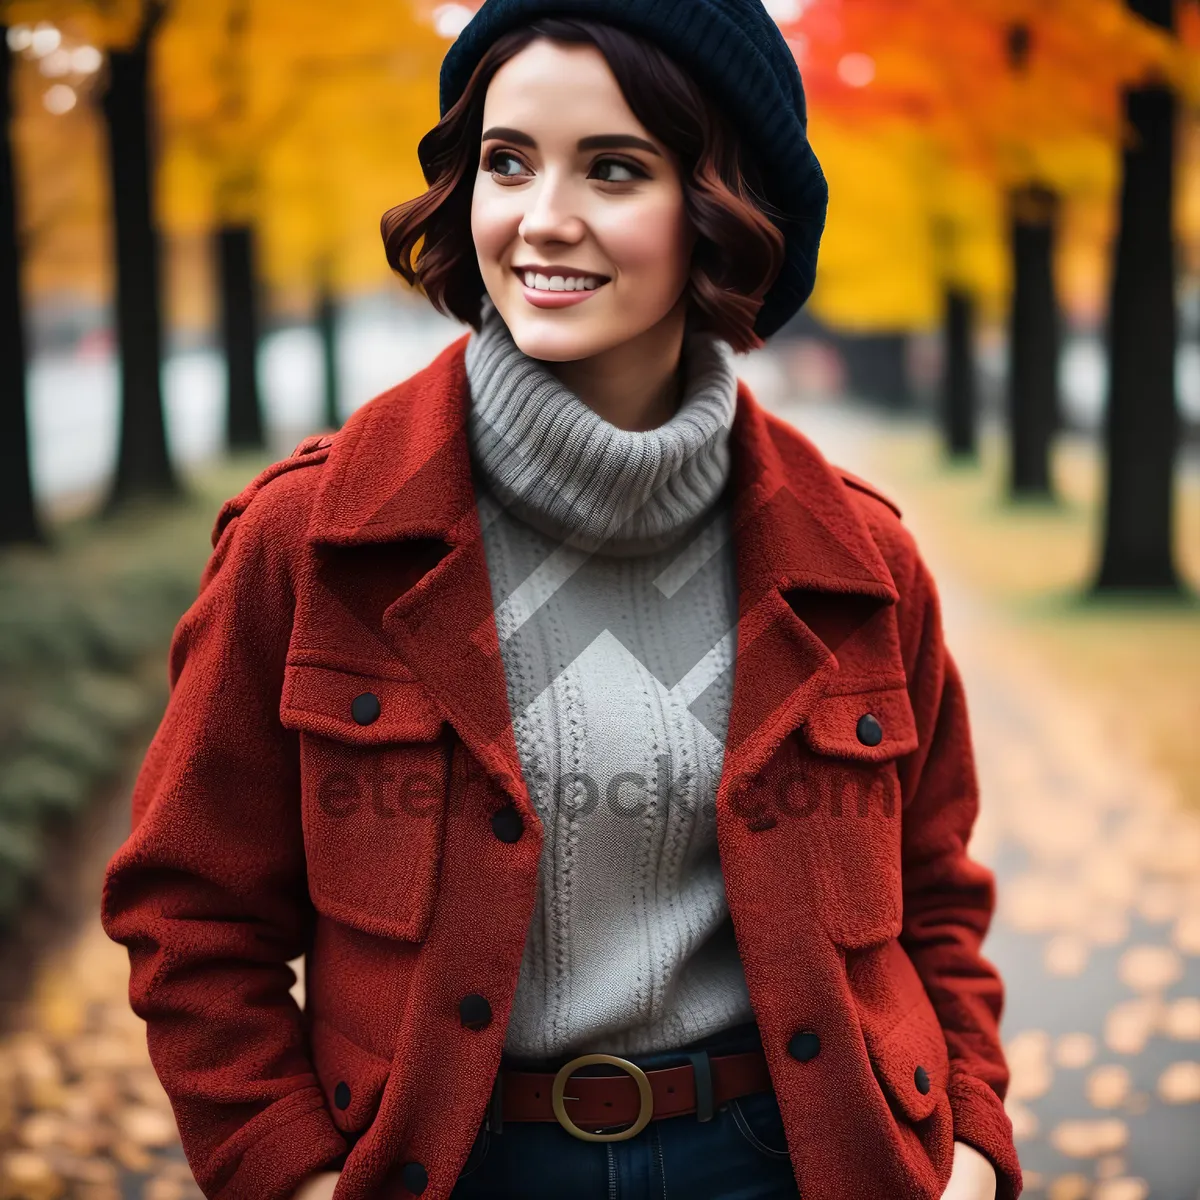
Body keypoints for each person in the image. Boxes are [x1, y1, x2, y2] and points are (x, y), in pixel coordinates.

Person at [100, 2, 1022, 1198]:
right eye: (507, 160)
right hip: (449, 1166)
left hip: (787, 1160)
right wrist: (289, 1172)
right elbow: (190, 910)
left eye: (616, 168)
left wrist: (959, 1142)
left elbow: (936, 893)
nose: (543, 219)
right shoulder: (313, 543)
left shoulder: (861, 560)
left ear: (720, 210)